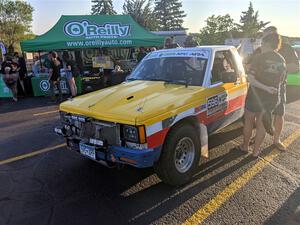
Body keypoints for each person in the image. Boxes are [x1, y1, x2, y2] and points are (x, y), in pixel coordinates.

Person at [247, 26, 299, 151]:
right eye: (265, 37)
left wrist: (279, 68)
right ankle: (256, 137)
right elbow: (249, 64)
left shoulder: (286, 48)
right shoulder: (260, 49)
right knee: (259, 115)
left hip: (278, 87)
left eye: (268, 37)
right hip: (260, 88)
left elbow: (296, 67)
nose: (265, 40)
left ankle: (277, 140)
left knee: (279, 114)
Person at [239, 32, 287, 157]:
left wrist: (264, 87)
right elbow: (281, 81)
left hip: (255, 95)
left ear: (267, 43)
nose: (260, 46)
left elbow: (250, 78)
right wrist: (269, 89)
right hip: (271, 97)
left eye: (262, 43)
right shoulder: (281, 60)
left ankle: (245, 147)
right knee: (262, 125)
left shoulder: (260, 58)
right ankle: (255, 152)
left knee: (249, 122)